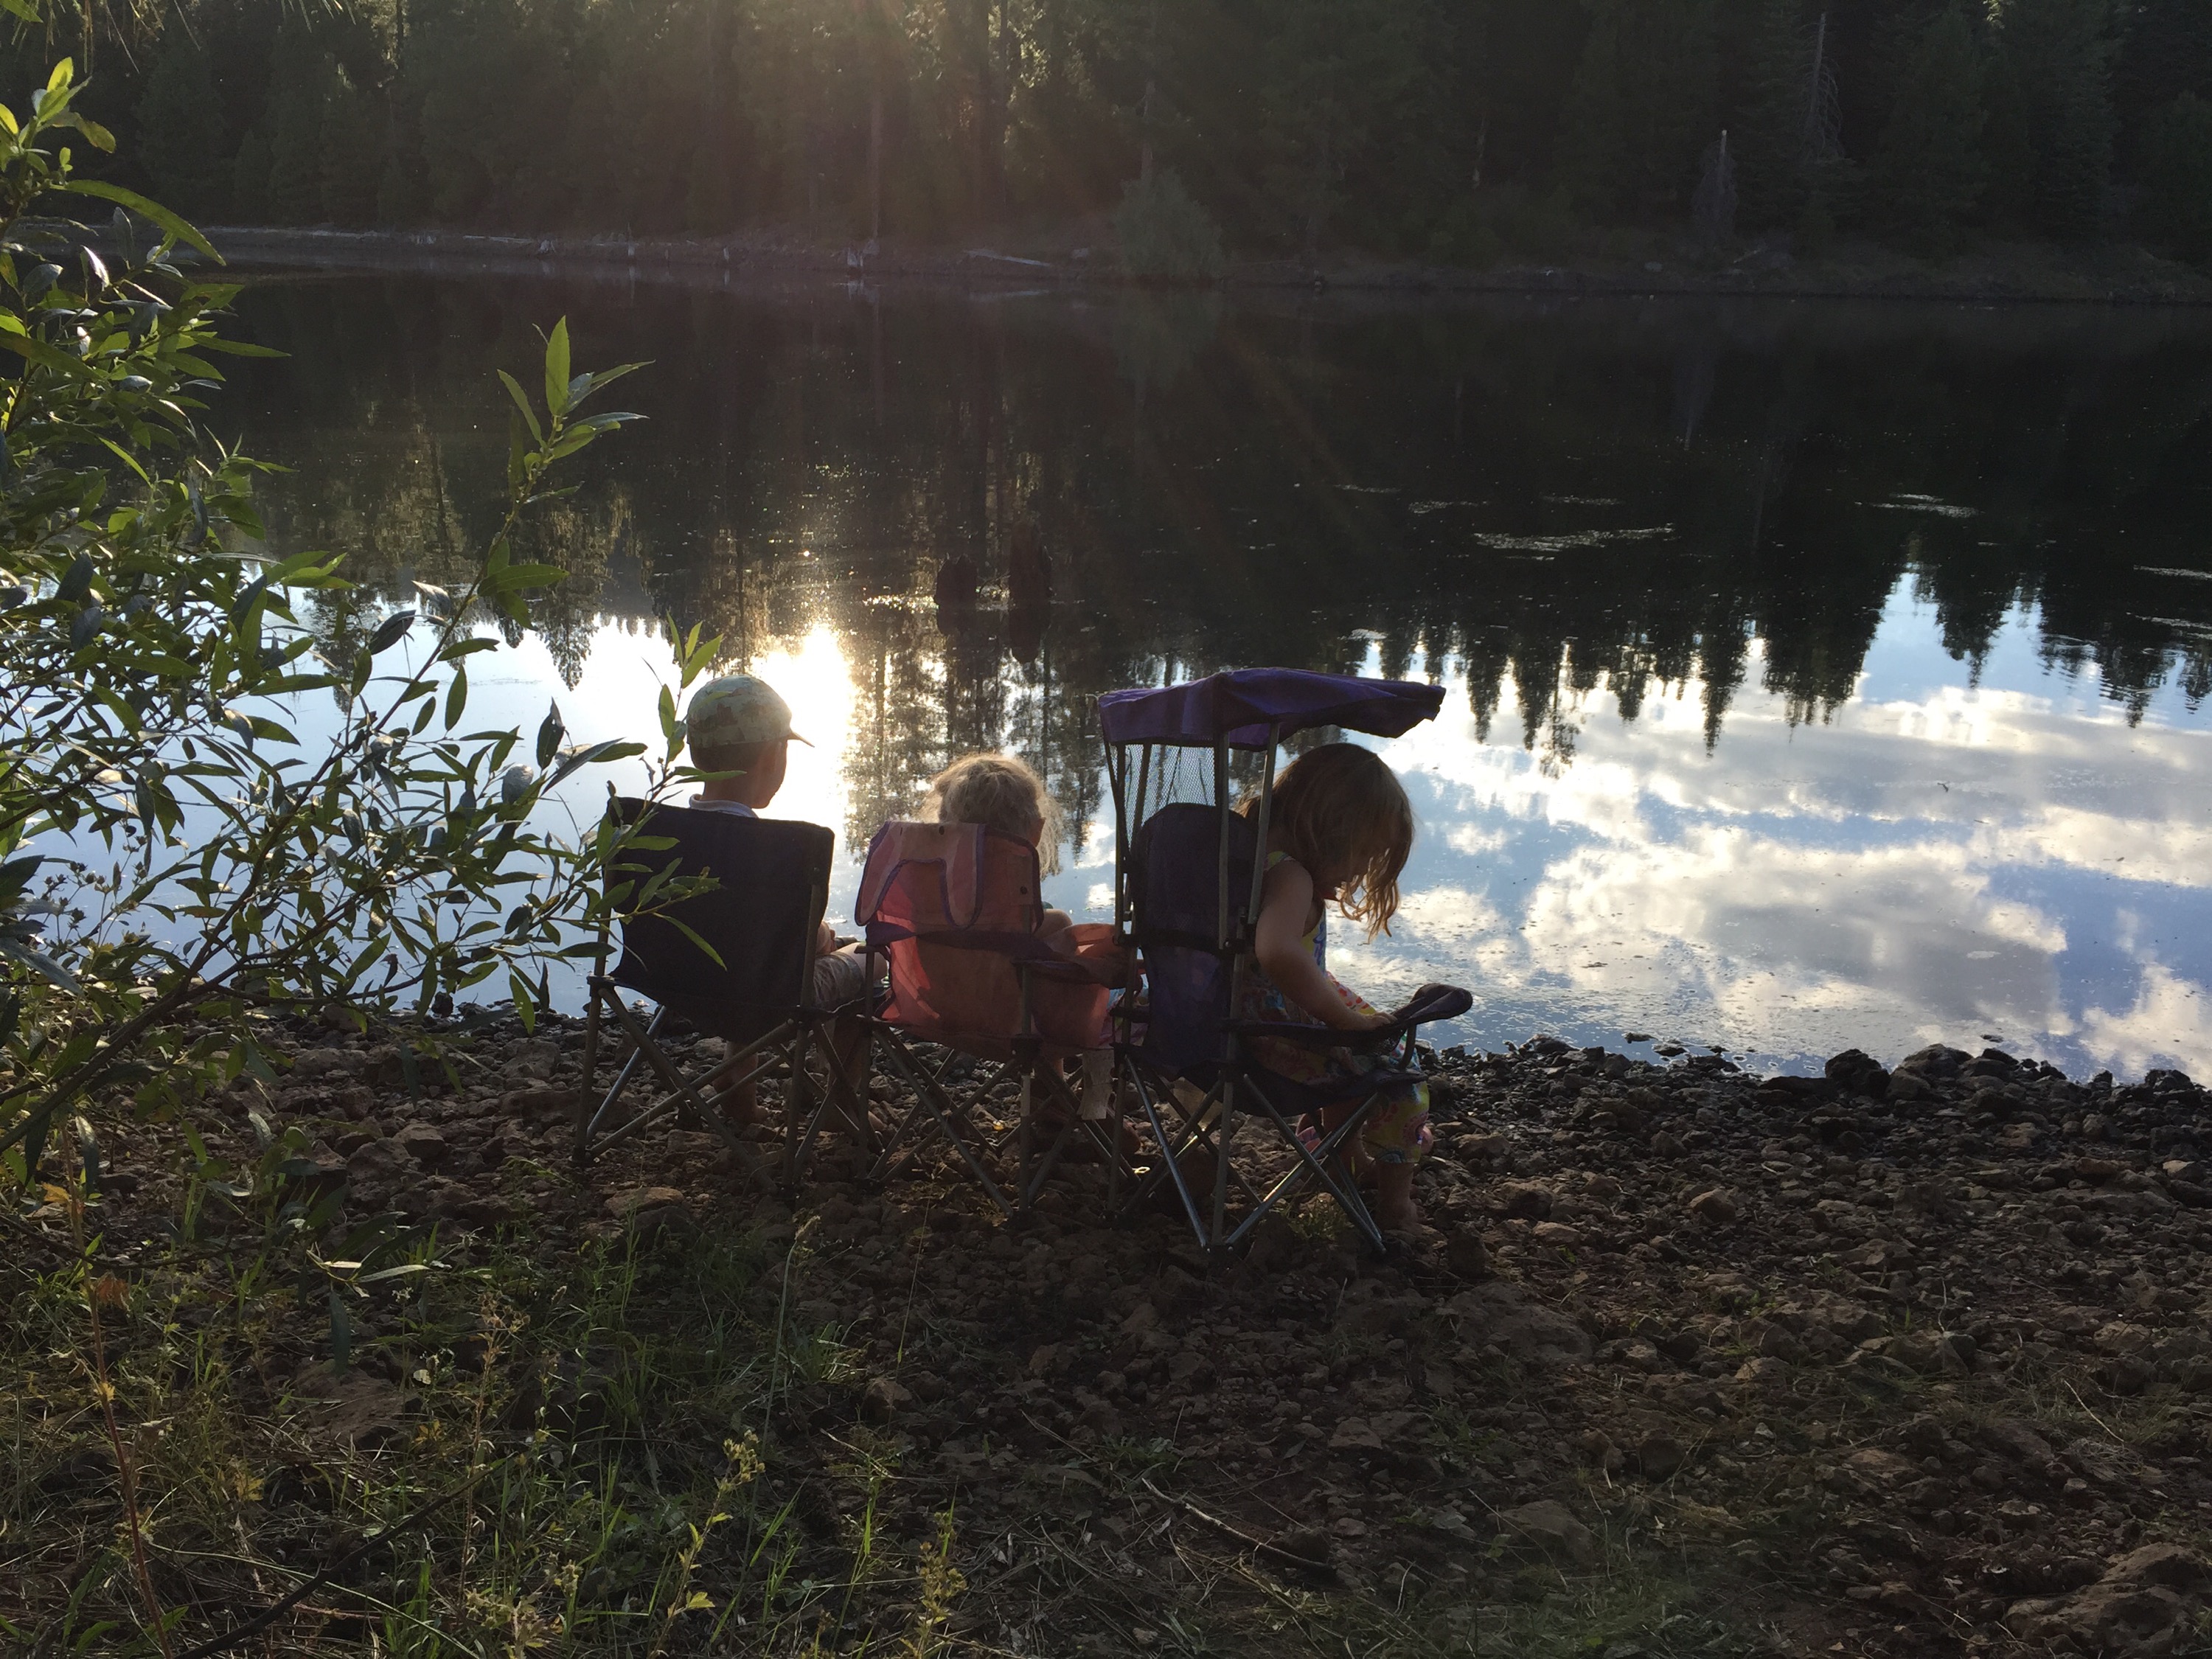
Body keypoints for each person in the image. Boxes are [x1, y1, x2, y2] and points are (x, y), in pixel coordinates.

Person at [1239, 742, 1430, 1234]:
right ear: (1332, 828)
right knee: (1400, 1079)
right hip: (1269, 1034)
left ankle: (1342, 1155)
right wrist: (1343, 1020)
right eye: (1364, 854)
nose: (1361, 872)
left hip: (1228, 1019)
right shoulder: (1290, 875)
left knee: (1359, 1044)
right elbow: (1277, 951)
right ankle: (1396, 1208)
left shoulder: (1246, 856)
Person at [683, 673, 873, 1125]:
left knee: (746, 959)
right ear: (773, 756)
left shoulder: (655, 833)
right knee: (870, 958)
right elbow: (800, 938)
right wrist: (825, 938)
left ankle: (738, 1081)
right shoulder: (774, 850)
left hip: (675, 982)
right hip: (770, 994)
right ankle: (840, 1104)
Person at [923, 752, 1119, 1118]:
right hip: (1015, 1026)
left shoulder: (921, 892)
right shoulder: (1034, 920)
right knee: (1061, 937)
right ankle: (1075, 1105)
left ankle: (1052, 1100)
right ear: (1036, 831)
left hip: (937, 1014)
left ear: (941, 826)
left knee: (1037, 945)